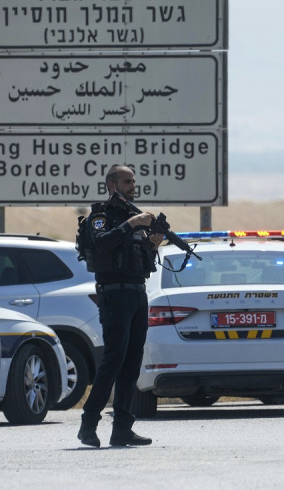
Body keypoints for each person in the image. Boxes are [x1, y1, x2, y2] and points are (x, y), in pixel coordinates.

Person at [77, 165, 163, 448]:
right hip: (114, 295)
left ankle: (123, 428)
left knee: (132, 363)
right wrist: (132, 225)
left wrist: (152, 244)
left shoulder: (132, 218)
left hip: (138, 294)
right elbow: (102, 244)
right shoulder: (101, 217)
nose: (132, 186)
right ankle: (89, 425)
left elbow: (143, 264)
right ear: (112, 185)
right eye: (127, 182)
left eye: (134, 181)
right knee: (113, 360)